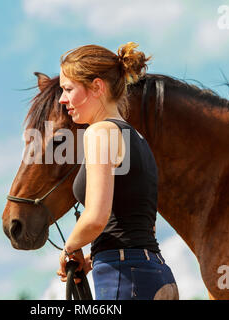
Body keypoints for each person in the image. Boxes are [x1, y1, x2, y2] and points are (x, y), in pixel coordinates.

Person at [56, 42, 179, 300]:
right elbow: (137, 225)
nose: (62, 99)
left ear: (97, 87)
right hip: (157, 274)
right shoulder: (137, 138)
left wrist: (70, 248)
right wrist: (90, 259)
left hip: (125, 279)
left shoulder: (99, 132)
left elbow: (96, 217)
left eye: (68, 89)